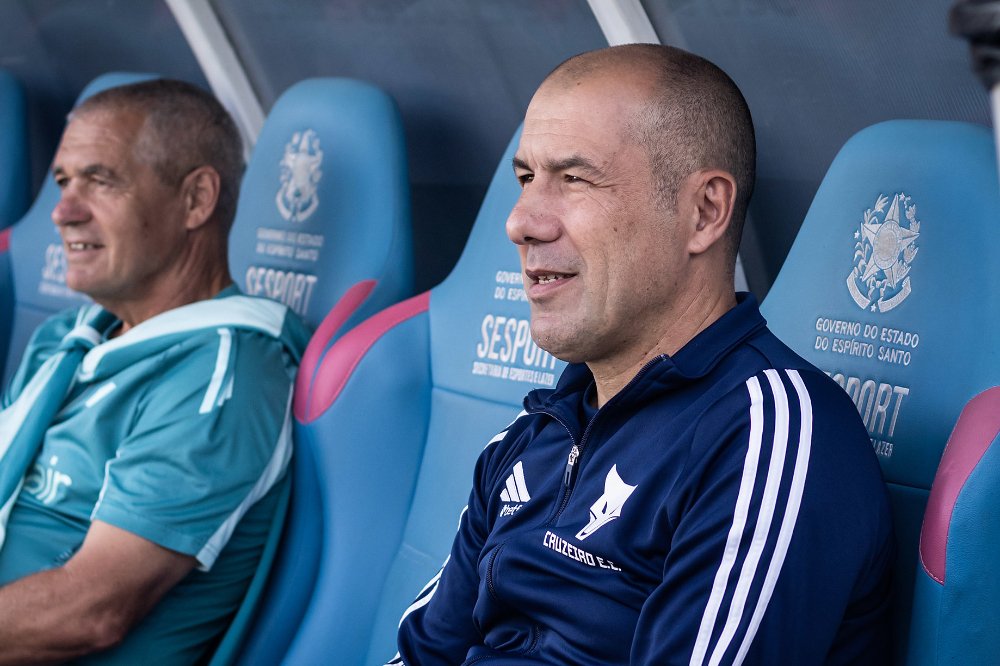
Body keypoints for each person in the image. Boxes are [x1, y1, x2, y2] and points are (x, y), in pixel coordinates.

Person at [392, 44, 893, 665]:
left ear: (704, 212)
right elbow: (421, 655)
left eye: (573, 178)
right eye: (526, 178)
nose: (520, 221)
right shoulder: (530, 437)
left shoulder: (765, 433)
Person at [0, 79, 309, 663]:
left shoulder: (222, 372)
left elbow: (91, 611)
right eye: (63, 182)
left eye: (101, 180)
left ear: (195, 199)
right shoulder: (65, 340)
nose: (63, 212)